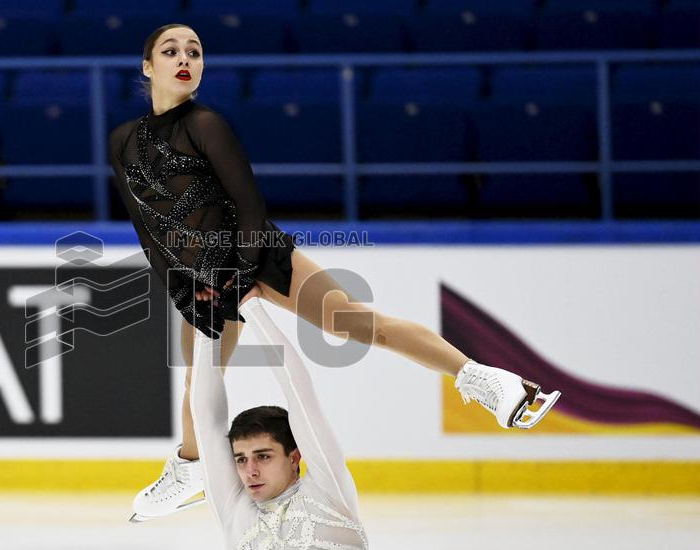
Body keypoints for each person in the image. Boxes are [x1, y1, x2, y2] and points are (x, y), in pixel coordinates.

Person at [108, 24, 561, 521]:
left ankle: (486, 381)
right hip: (197, 276)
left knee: (357, 322)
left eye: (194, 51)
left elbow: (250, 204)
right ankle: (190, 469)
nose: (185, 58)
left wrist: (235, 275)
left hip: (255, 254)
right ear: (148, 67)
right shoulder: (123, 141)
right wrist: (185, 288)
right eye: (171, 51)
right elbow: (148, 229)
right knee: (199, 377)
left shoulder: (207, 124)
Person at [191, 287, 370, 550]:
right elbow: (206, 422)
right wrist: (205, 326)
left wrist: (252, 306)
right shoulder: (237, 515)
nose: (250, 471)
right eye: (241, 459)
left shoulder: (329, 495)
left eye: (263, 456)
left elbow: (298, 389)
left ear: (294, 457)